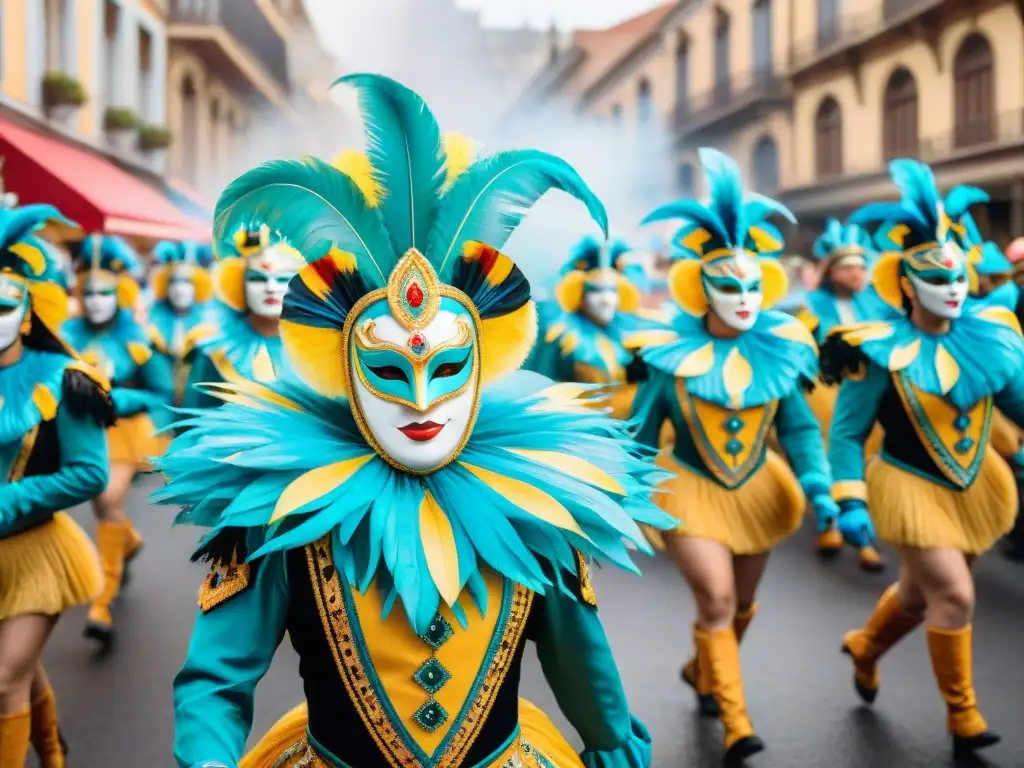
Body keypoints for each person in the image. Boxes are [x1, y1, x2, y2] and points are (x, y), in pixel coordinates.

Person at [155, 73, 672, 768]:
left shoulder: (543, 497)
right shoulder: (276, 506)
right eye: (392, 372)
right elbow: (217, 680)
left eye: (449, 369)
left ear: (485, 363)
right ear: (345, 369)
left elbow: (581, 661)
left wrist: (612, 747)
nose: (423, 402)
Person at [631, 148, 837, 764]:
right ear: (700, 288)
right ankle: (737, 722)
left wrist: (823, 489)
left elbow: (799, 431)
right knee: (717, 600)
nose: (743, 296)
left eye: (752, 285)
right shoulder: (669, 362)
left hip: (758, 490)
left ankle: (704, 669)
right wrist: (619, 501)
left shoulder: (781, 354)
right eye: (728, 285)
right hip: (689, 488)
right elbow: (640, 436)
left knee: (741, 605)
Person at [823, 159, 1024, 758]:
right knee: (956, 596)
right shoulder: (876, 350)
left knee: (917, 595)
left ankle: (865, 646)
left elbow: (1016, 398)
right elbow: (846, 432)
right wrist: (848, 497)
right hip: (908, 487)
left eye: (959, 275)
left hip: (973, 484)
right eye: (937, 279)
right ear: (907, 285)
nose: (954, 287)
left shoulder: (992, 336)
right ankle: (962, 715)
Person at [0, 205, 113, 767]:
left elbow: (91, 473)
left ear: (25, 313)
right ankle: (51, 748)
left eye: (1, 303)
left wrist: (10, 500)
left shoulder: (65, 379)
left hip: (36, 556)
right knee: (22, 667)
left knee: (1, 681)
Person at [61, 234, 173, 649]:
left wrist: (118, 399)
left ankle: (101, 603)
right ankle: (127, 541)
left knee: (108, 500)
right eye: (88, 293)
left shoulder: (140, 337)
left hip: (123, 432)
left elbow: (162, 393)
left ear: (120, 292)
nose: (95, 301)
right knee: (103, 506)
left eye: (105, 292)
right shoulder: (63, 333)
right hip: (79, 433)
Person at [797, 218, 893, 569]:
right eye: (849, 268)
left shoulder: (881, 305)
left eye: (862, 267)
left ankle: (863, 533)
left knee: (865, 459)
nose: (858, 274)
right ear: (833, 271)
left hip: (866, 393)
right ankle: (829, 522)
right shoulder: (812, 306)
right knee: (827, 454)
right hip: (827, 393)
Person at [529, 236, 671, 419]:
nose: (606, 300)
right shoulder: (559, 338)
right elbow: (538, 391)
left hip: (621, 430)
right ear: (579, 294)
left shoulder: (625, 334)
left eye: (612, 291)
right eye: (596, 291)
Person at [179, 225, 303, 410]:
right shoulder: (216, 348)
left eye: (282, 279)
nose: (270, 287)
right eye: (258, 279)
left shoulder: (319, 347)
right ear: (239, 283)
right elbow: (192, 420)